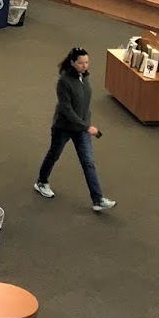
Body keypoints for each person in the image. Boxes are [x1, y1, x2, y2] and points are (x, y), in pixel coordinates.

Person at [34, 46, 116, 212]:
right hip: (63, 127)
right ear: (72, 62)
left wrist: (85, 123)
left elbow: (84, 104)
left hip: (81, 128)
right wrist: (87, 127)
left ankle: (98, 199)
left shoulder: (84, 78)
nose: (84, 66)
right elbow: (67, 109)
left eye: (86, 62)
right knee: (54, 154)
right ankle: (42, 181)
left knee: (88, 162)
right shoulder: (64, 82)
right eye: (81, 63)